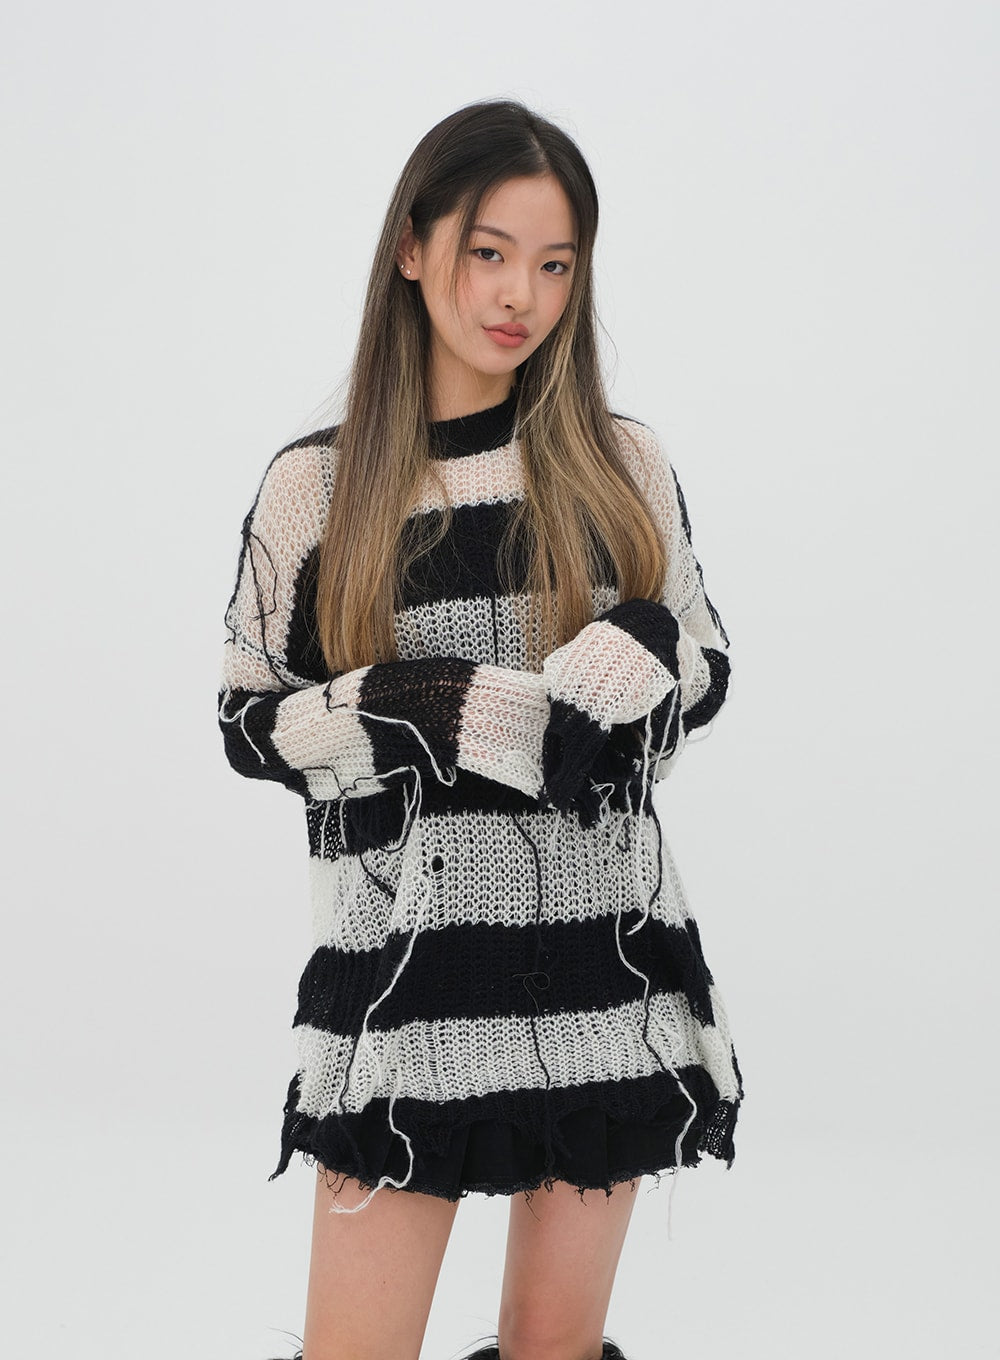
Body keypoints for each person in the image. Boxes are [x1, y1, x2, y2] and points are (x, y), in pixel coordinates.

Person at [217, 97, 744, 1360]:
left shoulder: (623, 464)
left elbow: (708, 662)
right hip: (406, 983)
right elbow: (249, 721)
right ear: (412, 246)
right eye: (489, 251)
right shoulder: (316, 487)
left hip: (606, 966)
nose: (521, 295)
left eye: (555, 264)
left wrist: (647, 648)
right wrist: (416, 703)